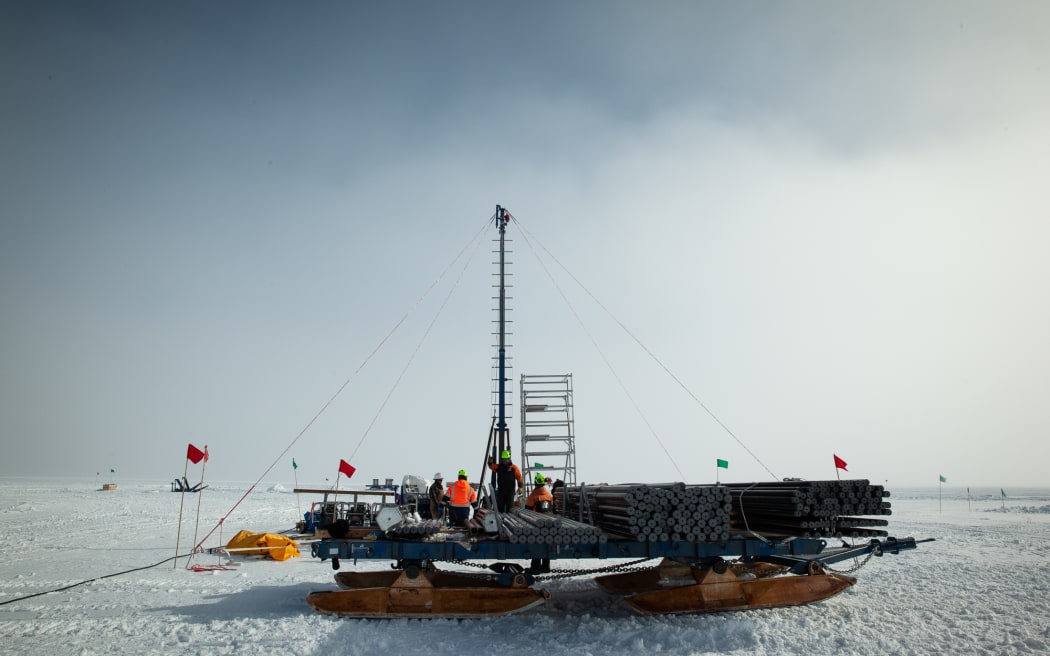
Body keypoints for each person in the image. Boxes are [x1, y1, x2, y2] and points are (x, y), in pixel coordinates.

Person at [525, 473, 553, 573]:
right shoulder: (549, 495)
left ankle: (535, 568)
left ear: (535, 482)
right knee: (547, 543)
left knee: (537, 544)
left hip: (536, 524)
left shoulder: (533, 495)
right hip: (549, 523)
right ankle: (546, 567)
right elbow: (552, 508)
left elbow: (527, 510)